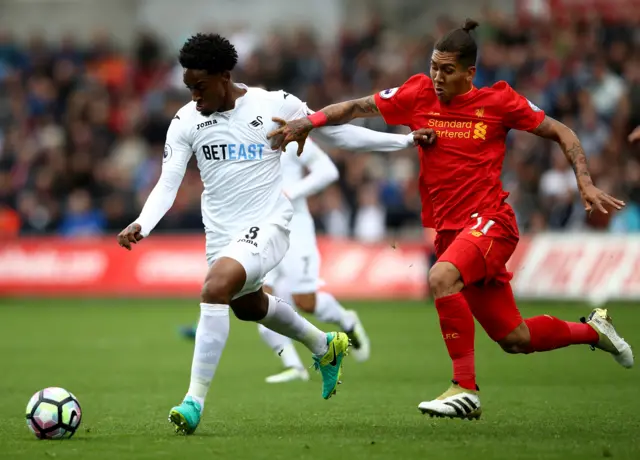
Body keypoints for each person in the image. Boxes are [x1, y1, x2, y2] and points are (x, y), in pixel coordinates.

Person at [268, 19, 633, 420]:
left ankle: (465, 388)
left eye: (447, 70)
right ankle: (596, 331)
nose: (437, 77)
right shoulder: (417, 94)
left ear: (469, 73)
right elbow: (356, 107)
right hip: (451, 232)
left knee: (441, 278)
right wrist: (310, 121)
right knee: (514, 337)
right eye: (433, 67)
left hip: (492, 222)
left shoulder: (499, 102)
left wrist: (584, 181)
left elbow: (562, 131)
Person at [116, 33, 433, 435]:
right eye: (188, 88)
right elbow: (168, 183)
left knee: (214, 289)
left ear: (225, 76)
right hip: (222, 234)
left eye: (200, 86)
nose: (194, 96)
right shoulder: (185, 121)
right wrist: (143, 222)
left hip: (270, 224)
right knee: (247, 307)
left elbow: (337, 133)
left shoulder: (274, 105)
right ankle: (324, 346)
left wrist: (404, 140)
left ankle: (193, 401)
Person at [181, 137, 372, 383]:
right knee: (258, 298)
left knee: (306, 301)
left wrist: (290, 192)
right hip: (258, 229)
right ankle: (293, 365)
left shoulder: (289, 136)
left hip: (296, 225)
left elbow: (327, 171)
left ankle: (347, 320)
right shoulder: (239, 138)